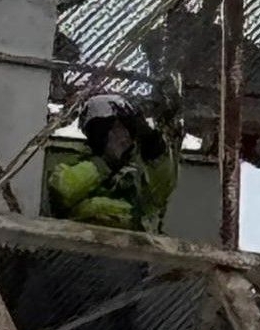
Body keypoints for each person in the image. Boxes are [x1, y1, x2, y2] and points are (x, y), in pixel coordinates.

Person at [48, 78, 182, 234]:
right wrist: (105, 164)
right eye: (112, 129)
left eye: (125, 129)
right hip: (78, 248)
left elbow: (161, 192)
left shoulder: (140, 172)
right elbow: (63, 192)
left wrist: (153, 146)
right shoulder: (71, 163)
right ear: (98, 135)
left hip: (133, 250)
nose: (122, 137)